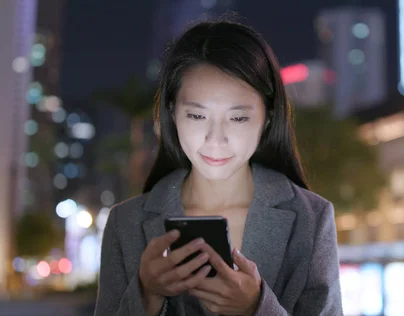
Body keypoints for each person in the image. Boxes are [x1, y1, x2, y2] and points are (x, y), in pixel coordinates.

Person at [94, 20, 343, 316]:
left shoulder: (311, 219)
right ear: (172, 112)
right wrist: (146, 295)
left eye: (237, 118)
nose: (215, 139)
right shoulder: (127, 222)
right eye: (197, 116)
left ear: (268, 116)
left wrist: (256, 308)